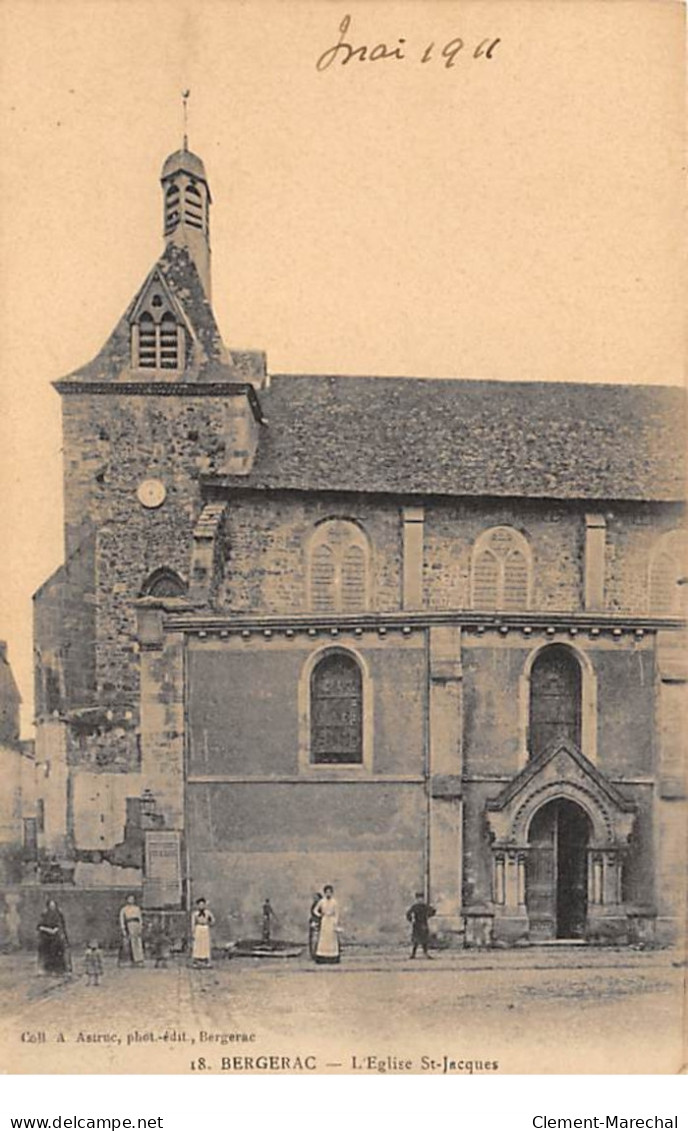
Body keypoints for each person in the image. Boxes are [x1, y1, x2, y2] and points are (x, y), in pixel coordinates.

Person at [37, 898, 69, 976]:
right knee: (46, 953)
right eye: (50, 906)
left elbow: (60, 925)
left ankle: (59, 970)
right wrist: (46, 929)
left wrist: (55, 930)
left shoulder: (59, 914)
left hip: (56, 938)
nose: (52, 907)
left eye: (53, 906)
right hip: (46, 938)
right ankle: (46, 970)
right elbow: (39, 926)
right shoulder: (44, 914)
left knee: (57, 953)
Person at [312, 885, 341, 965]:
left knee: (331, 938)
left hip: (331, 921)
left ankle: (332, 957)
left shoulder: (334, 902)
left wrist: (335, 922)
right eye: (327, 892)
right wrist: (320, 915)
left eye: (330, 892)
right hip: (324, 921)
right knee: (323, 938)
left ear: (332, 893)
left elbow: (337, 913)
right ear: (324, 893)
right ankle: (322, 956)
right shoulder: (322, 901)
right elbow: (315, 910)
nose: (328, 894)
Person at [406, 891, 436, 959]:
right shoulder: (415, 907)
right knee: (415, 941)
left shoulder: (425, 906)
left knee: (424, 941)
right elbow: (408, 914)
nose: (420, 900)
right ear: (416, 899)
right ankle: (413, 954)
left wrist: (428, 916)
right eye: (418, 898)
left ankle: (425, 953)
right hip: (416, 925)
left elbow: (433, 911)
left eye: (421, 898)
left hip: (424, 924)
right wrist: (411, 920)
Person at [119, 893, 144, 966]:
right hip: (129, 925)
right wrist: (123, 928)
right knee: (129, 943)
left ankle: (139, 959)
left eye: (132, 899)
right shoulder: (124, 909)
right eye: (129, 899)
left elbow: (140, 918)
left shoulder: (137, 908)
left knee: (137, 942)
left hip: (136, 925)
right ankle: (128, 960)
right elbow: (121, 919)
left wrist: (140, 927)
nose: (131, 900)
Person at [191, 898, 215, 967]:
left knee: (205, 944)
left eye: (202, 904)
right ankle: (196, 961)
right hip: (198, 928)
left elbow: (213, 920)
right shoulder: (195, 914)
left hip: (205, 928)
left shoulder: (208, 913)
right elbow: (193, 923)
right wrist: (193, 932)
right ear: (197, 905)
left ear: (204, 905)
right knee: (197, 944)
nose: (201, 906)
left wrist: (209, 923)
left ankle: (207, 961)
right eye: (200, 905)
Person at [308, 892, 323, 960]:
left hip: (319, 923)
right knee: (313, 939)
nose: (315, 899)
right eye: (314, 898)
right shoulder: (314, 905)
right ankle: (313, 954)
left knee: (318, 939)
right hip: (313, 923)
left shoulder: (321, 905)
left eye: (316, 898)